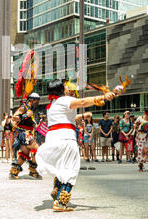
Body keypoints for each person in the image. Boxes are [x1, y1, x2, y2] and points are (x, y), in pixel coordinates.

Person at [36, 80, 115, 212]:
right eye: (66, 86)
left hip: (53, 137)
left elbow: (66, 117)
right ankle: (61, 202)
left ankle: (57, 190)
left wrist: (83, 115)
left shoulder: (52, 105)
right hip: (66, 138)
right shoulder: (65, 99)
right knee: (71, 168)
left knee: (62, 166)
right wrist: (102, 97)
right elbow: (82, 102)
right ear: (61, 90)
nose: (68, 87)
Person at [9, 92, 41, 180]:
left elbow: (29, 121)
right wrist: (25, 115)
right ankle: (33, 170)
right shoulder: (24, 107)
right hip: (24, 133)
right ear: (32, 100)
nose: (37, 103)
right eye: (37, 101)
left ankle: (14, 172)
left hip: (27, 132)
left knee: (24, 154)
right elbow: (14, 117)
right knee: (37, 150)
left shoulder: (30, 108)